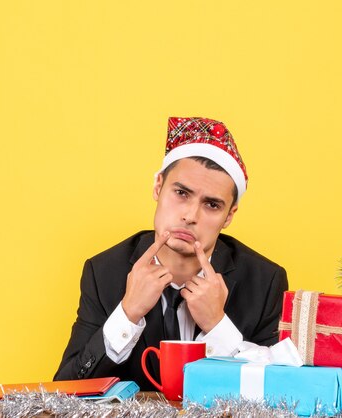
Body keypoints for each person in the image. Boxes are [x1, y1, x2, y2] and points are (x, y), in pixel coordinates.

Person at [54, 117, 288, 389]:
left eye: (212, 205)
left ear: (229, 216)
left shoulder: (265, 280)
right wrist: (127, 314)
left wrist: (217, 326)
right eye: (181, 193)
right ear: (158, 187)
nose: (190, 215)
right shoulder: (104, 271)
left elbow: (280, 395)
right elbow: (64, 393)